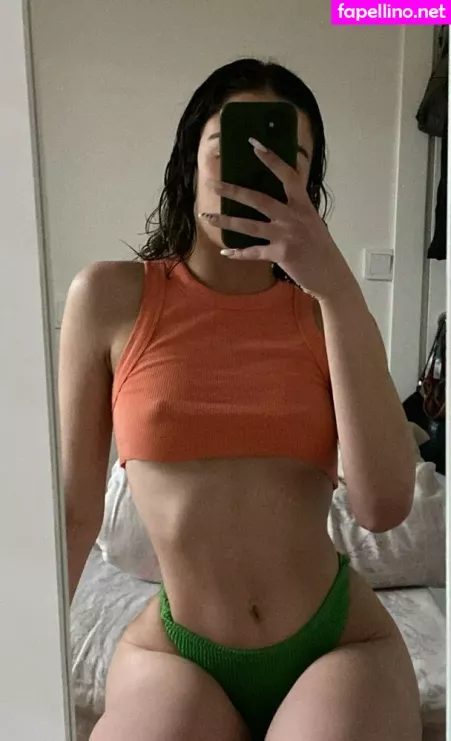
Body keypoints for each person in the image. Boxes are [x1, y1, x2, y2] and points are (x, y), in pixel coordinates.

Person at [61, 58, 422, 741]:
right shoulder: (109, 299)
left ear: (305, 186)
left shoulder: (328, 313)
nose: (251, 172)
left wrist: (337, 287)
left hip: (335, 645)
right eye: (227, 150)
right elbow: (76, 511)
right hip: (180, 655)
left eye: (282, 159)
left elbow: (381, 507)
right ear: (188, 160)